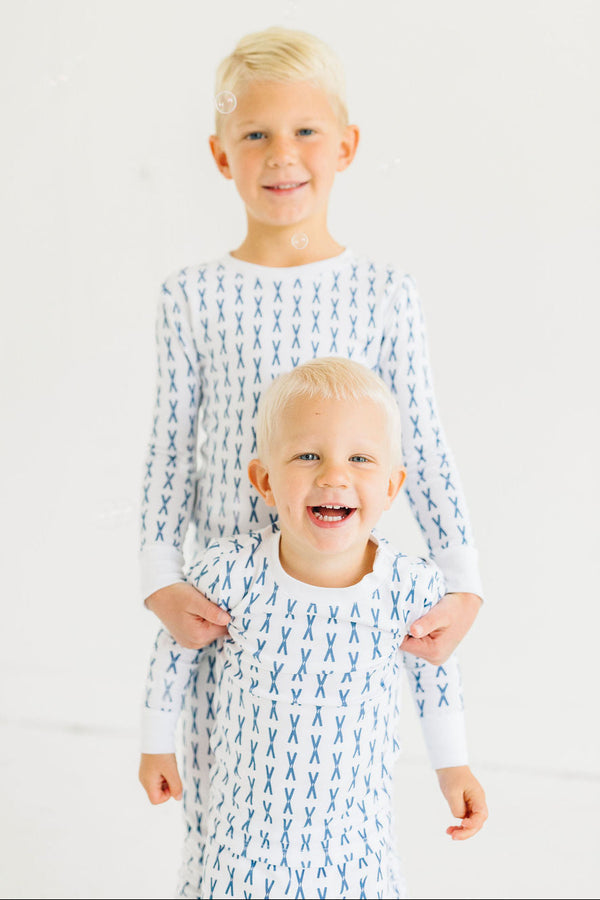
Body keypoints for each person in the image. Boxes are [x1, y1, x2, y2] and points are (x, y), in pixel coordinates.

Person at [138, 24, 485, 898]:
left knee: (343, 810)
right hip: (225, 621)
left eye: (304, 131)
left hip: (349, 608)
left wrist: (462, 581)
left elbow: (423, 442)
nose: (281, 154)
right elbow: (169, 445)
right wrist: (161, 581)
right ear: (221, 155)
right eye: (255, 133)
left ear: (346, 146)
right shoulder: (192, 297)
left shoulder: (384, 293)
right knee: (223, 828)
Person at [139, 358, 487, 899]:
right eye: (307, 455)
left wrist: (453, 765)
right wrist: (156, 745)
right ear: (265, 480)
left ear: (391, 486)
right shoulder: (231, 571)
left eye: (359, 458)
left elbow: (436, 667)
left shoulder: (408, 586)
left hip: (355, 841)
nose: (333, 476)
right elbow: (175, 643)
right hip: (245, 839)